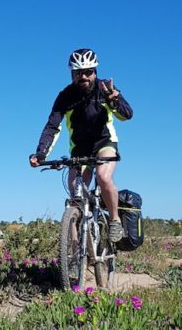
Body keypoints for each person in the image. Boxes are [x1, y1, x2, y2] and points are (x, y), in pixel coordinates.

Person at [29, 48, 133, 242]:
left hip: (104, 143)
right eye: (78, 73)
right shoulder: (65, 97)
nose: (83, 76)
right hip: (79, 150)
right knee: (75, 197)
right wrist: (40, 153)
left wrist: (114, 100)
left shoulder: (105, 89)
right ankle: (77, 254)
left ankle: (114, 220)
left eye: (88, 71)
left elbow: (127, 115)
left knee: (103, 176)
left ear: (95, 71)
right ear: (72, 74)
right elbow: (52, 126)